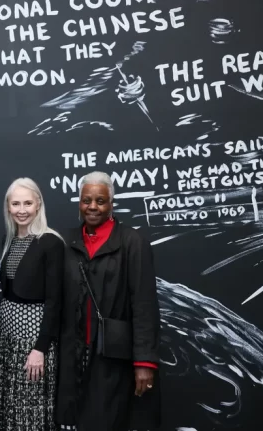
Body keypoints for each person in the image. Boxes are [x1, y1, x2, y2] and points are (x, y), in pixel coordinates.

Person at [56, 171, 161, 431]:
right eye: (86, 200)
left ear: (111, 204)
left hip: (112, 357)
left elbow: (145, 305)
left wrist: (144, 362)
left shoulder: (132, 242)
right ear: (79, 203)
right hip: (71, 355)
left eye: (100, 201)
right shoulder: (65, 243)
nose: (92, 207)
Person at [0, 178, 64, 431]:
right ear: (8, 206)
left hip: (33, 339)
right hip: (7, 338)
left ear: (38, 204)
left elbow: (55, 301)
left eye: (28, 203)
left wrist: (40, 348)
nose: (22, 209)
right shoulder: (8, 240)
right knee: (9, 409)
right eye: (15, 203)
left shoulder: (50, 242)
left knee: (30, 412)